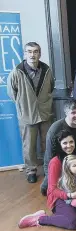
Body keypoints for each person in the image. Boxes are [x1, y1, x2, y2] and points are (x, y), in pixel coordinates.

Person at [18, 131, 76, 230]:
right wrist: (70, 195)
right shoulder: (55, 162)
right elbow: (52, 189)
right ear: (59, 145)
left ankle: (75, 213)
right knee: (74, 222)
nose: (69, 145)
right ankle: (40, 219)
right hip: (60, 197)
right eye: (65, 143)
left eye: (71, 142)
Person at [7, 41, 55, 183]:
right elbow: (12, 93)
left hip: (44, 112)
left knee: (47, 143)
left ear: (39, 54)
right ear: (24, 54)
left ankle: (48, 169)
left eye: (35, 51)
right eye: (29, 51)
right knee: (29, 145)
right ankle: (31, 170)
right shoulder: (17, 72)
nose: (32, 54)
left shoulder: (47, 70)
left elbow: (50, 87)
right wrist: (24, 104)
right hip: (27, 114)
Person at [41, 100, 76, 196]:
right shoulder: (55, 129)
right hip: (59, 164)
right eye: (73, 112)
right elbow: (49, 158)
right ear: (66, 113)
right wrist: (51, 178)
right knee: (47, 190)